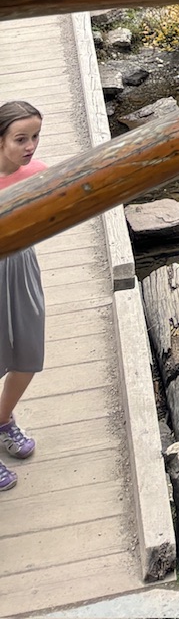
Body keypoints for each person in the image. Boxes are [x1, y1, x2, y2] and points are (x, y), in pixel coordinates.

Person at [0, 101, 46, 491]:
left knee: (29, 353)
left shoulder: (38, 174)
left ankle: (3, 419)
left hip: (21, 265)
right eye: (20, 139)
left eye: (35, 137)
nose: (30, 146)